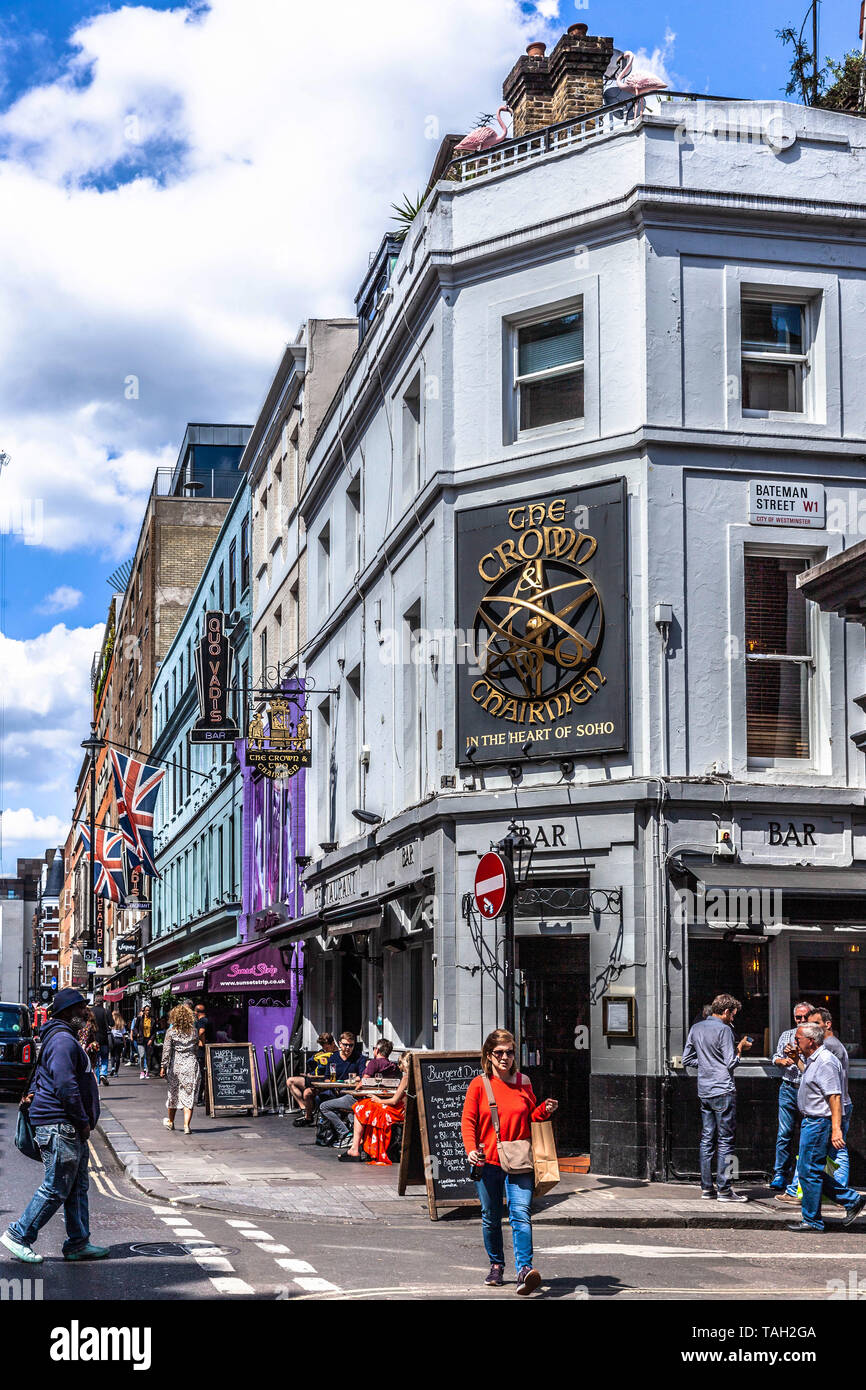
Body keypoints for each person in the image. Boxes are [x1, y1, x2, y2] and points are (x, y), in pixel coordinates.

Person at [2, 988, 107, 1264]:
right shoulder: (62, 1041)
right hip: (61, 1124)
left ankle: (78, 1242)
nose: (86, 1012)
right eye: (81, 1008)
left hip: (65, 1124)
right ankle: (19, 1235)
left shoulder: (63, 1038)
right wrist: (82, 1122)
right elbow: (65, 1086)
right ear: (68, 1012)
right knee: (56, 1187)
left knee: (76, 1187)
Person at [461, 1028, 558, 1296]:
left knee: (521, 1214)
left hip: (520, 1159)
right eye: (499, 1052)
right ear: (489, 1055)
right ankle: (496, 1264)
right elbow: (468, 1121)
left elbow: (531, 1118)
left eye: (510, 1052)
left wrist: (544, 1110)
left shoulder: (524, 1081)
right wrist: (470, 1149)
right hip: (487, 1160)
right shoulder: (479, 1084)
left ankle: (524, 1270)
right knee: (491, 1217)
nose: (505, 1057)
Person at [784, 1022, 866, 1233]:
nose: (795, 1042)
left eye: (799, 1039)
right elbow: (810, 1078)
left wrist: (836, 1129)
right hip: (811, 1121)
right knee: (808, 1170)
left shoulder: (826, 1061)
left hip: (819, 1122)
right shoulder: (814, 1060)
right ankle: (851, 1200)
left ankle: (813, 1220)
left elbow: (835, 1097)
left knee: (809, 1171)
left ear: (811, 1041)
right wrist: (796, 1060)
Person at [681, 992, 752, 1202]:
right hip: (723, 1089)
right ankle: (724, 1190)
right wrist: (740, 1049)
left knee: (706, 1139)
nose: (733, 1019)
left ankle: (706, 1188)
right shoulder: (725, 1030)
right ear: (727, 1011)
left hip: (704, 1089)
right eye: (733, 1014)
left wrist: (706, 1064)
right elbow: (731, 1063)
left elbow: (687, 1059)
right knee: (726, 1141)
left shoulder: (697, 1027)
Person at [770, 1000, 813, 1200]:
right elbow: (775, 1058)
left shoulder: (816, 1037)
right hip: (788, 1087)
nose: (801, 1020)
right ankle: (780, 1173)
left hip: (807, 1090)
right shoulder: (786, 1035)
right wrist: (782, 1061)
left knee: (807, 1135)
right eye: (798, 1017)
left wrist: (796, 1057)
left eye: (805, 1017)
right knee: (784, 1132)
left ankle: (800, 1177)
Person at [338, 1050, 412, 1165]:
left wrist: (379, 1100)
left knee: (361, 1106)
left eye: (401, 1064)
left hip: (396, 1111)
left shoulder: (406, 1078)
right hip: (403, 1110)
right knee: (366, 1106)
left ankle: (355, 1147)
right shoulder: (417, 1076)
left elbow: (394, 1101)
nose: (400, 1067)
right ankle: (358, 1143)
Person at [319, 1038, 395, 1148]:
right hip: (381, 1100)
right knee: (350, 1112)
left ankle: (345, 1134)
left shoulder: (374, 1063)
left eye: (374, 1048)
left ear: (377, 1050)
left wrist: (355, 1089)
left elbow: (363, 1082)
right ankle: (354, 1135)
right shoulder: (393, 1066)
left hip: (363, 1099)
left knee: (324, 1106)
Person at [314, 1032, 368, 1145]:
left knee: (325, 1106)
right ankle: (331, 1132)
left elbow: (363, 1076)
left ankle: (345, 1133)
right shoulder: (333, 1058)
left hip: (351, 1093)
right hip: (336, 1091)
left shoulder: (359, 1058)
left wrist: (350, 1080)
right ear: (339, 1044)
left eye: (351, 1045)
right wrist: (333, 1083)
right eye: (345, 1045)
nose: (348, 1048)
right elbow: (327, 1078)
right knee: (319, 1098)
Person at [159, 1003, 201, 1134]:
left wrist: (163, 1066)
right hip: (191, 1064)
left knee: (173, 1093)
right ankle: (186, 1125)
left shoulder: (171, 1032)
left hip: (176, 1066)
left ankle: (171, 1122)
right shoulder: (193, 1031)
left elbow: (166, 1050)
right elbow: (196, 1048)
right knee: (189, 1094)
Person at [289, 1032, 337, 1127]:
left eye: (326, 1047)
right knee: (290, 1081)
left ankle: (308, 1116)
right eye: (323, 1047)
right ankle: (305, 1109)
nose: (325, 1049)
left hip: (325, 1081)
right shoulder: (321, 1053)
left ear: (333, 1044)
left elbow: (330, 1074)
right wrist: (309, 1074)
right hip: (314, 1079)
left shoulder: (337, 1055)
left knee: (307, 1092)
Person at [193, 1003, 213, 1106]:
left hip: (202, 1051)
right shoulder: (208, 1020)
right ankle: (206, 1098)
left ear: (197, 1012)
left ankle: (201, 1099)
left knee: (202, 1075)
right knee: (205, 1074)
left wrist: (195, 1039)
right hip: (208, 1050)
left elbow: (201, 1032)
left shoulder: (201, 1021)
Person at [90, 994, 111, 1087]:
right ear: (102, 1002)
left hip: (93, 1039)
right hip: (104, 1039)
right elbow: (112, 1023)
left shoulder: (91, 1012)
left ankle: (97, 1079)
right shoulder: (106, 1011)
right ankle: (103, 1073)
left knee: (95, 1059)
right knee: (104, 1058)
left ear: (95, 1002)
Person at [108, 1012, 127, 1077]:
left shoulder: (111, 1024)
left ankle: (113, 1067)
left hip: (113, 1040)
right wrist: (124, 1043)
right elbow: (123, 1035)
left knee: (112, 1055)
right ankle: (116, 1072)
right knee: (118, 1056)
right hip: (120, 1040)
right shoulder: (121, 1024)